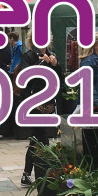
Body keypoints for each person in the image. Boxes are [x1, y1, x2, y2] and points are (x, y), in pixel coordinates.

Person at [16, 38, 62, 185]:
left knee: (37, 139)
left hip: (48, 102)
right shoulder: (28, 56)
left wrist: (55, 65)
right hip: (33, 102)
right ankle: (43, 173)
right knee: (40, 138)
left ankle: (29, 174)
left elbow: (59, 78)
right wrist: (43, 63)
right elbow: (25, 76)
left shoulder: (52, 55)